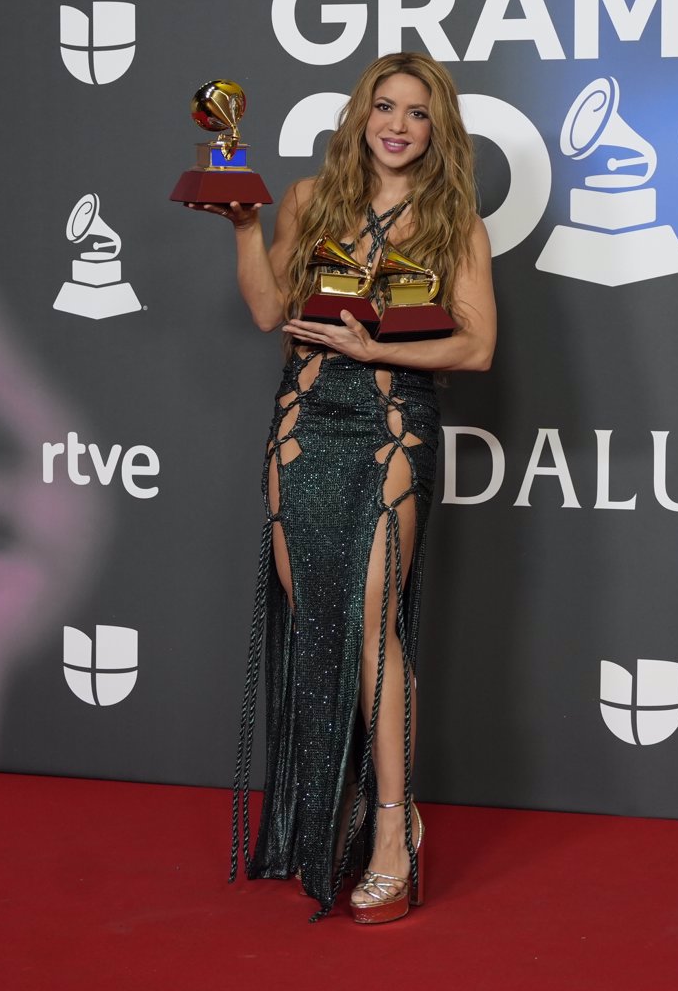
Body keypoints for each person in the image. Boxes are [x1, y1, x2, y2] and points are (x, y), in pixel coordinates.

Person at [190, 52, 496, 922]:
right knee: (321, 628)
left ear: (439, 130)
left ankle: (397, 829)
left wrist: (376, 351)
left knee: (367, 623)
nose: (399, 124)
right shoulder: (308, 199)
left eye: (419, 112)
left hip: (392, 425)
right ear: (361, 114)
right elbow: (265, 312)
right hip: (302, 427)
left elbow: (475, 350)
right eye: (386, 106)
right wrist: (244, 230)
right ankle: (347, 801)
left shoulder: (453, 222)